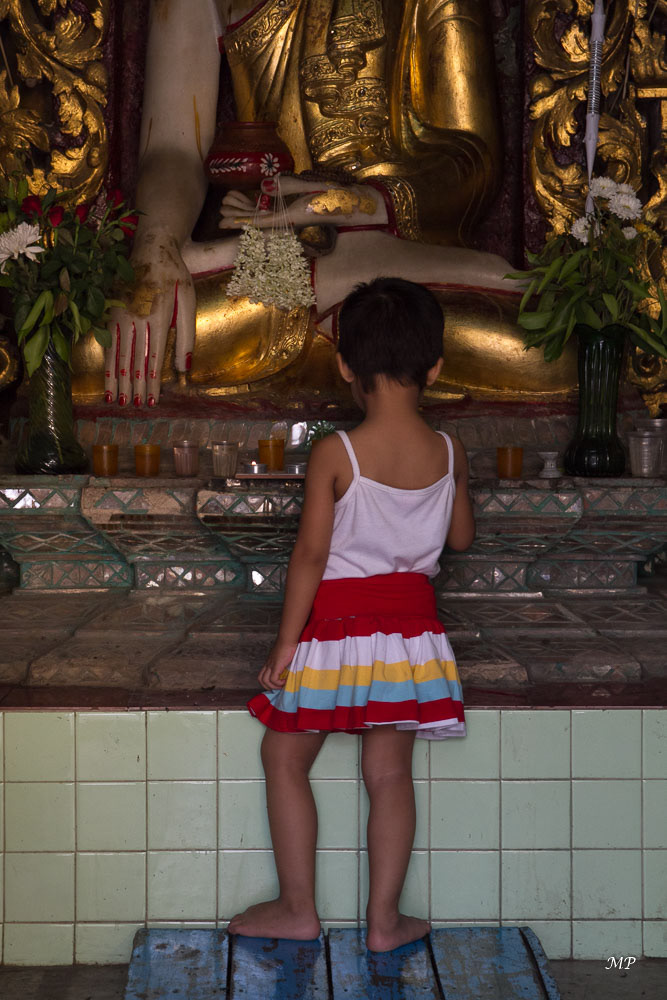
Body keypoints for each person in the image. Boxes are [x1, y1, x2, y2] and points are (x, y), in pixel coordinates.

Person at [227, 277, 475, 952]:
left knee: (282, 756)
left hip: (336, 631)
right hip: (411, 637)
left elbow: (310, 555)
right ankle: (385, 922)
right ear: (435, 368)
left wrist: (285, 645)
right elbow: (459, 539)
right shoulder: (448, 452)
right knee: (389, 776)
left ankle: (297, 908)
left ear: (344, 366)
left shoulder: (337, 453)